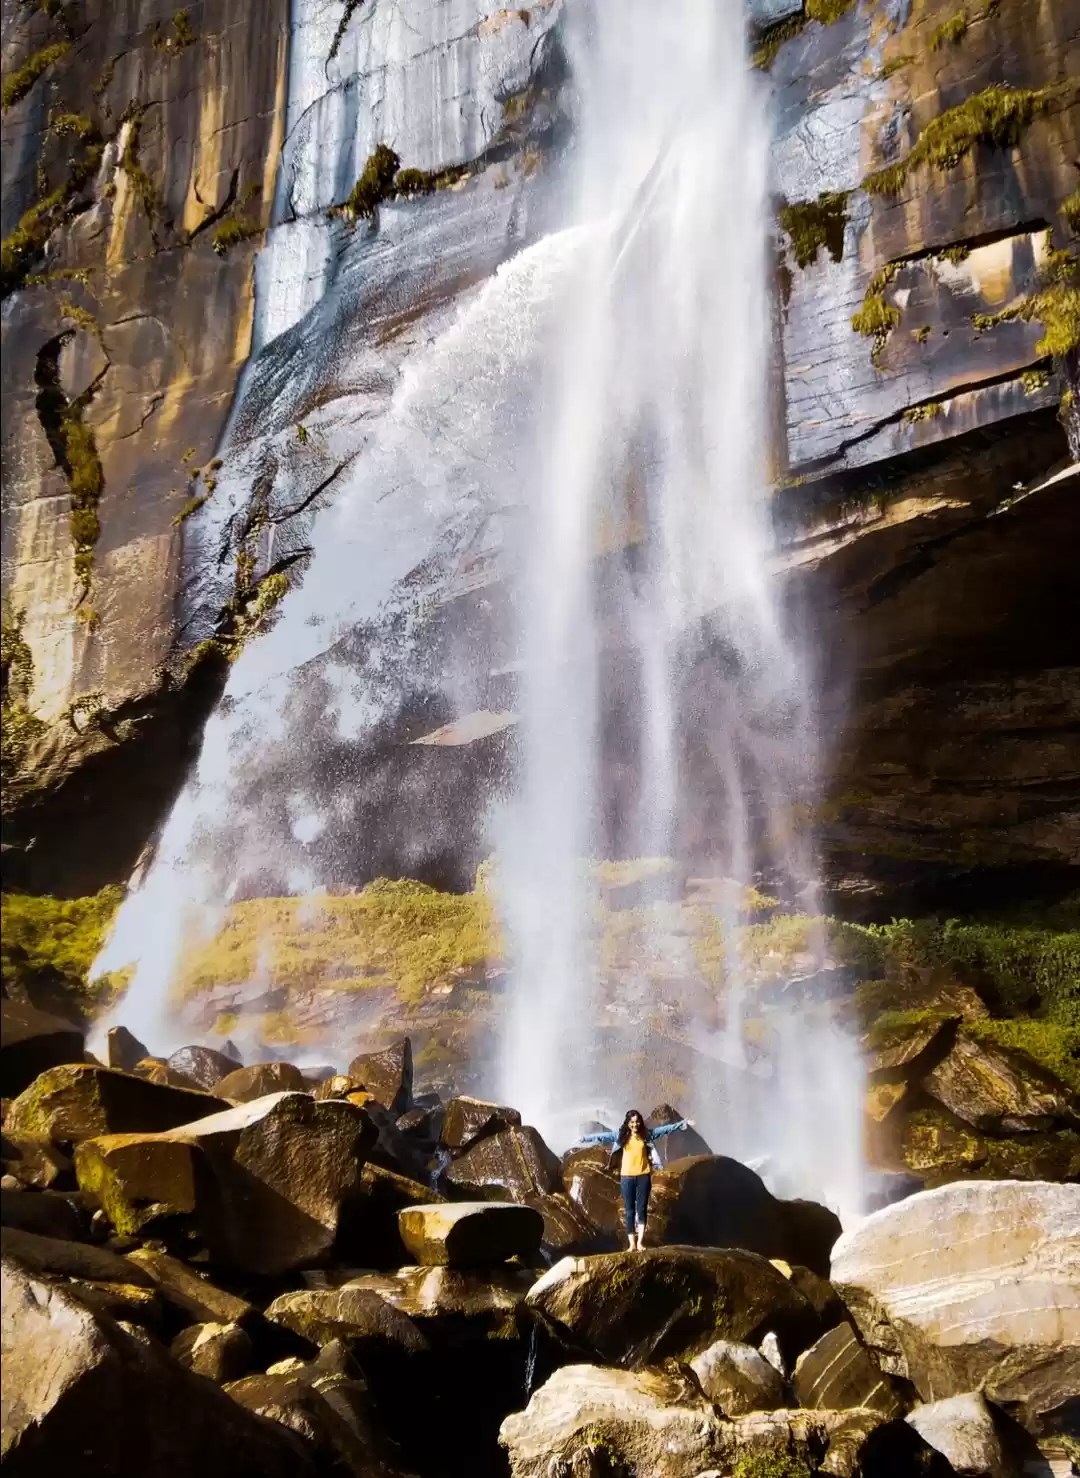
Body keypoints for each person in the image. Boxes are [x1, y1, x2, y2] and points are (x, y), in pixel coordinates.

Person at [576, 1109, 693, 1251]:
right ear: (628, 1123)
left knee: (641, 1209)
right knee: (629, 1210)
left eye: (637, 1121)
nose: (635, 1124)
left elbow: (664, 1130)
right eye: (632, 1122)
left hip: (643, 1176)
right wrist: (584, 1139)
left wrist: (682, 1123)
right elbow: (603, 1137)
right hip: (626, 1177)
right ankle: (632, 1244)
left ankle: (640, 1243)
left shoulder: (646, 1135)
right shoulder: (621, 1136)